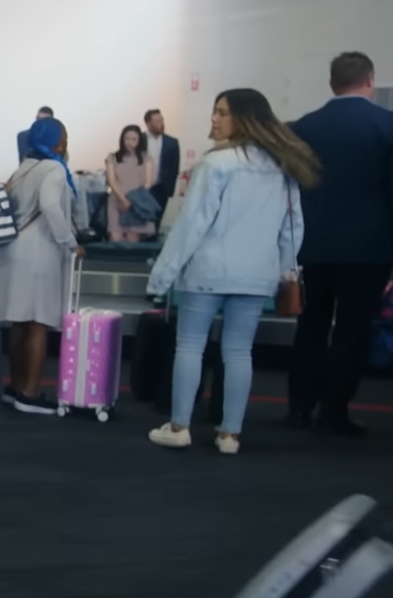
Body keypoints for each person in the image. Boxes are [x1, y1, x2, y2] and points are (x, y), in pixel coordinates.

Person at [147, 88, 318, 455]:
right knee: (239, 352)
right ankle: (230, 435)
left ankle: (179, 427)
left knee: (190, 345)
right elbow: (293, 228)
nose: (214, 118)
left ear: (244, 118)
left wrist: (162, 276)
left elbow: (192, 224)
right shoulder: (282, 165)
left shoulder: (216, 164)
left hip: (207, 271)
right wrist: (286, 270)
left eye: (222, 112)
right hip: (257, 274)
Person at [287, 51, 393, 437]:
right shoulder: (387, 125)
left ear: (332, 84)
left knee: (310, 325)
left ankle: (299, 407)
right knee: (353, 329)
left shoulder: (303, 127)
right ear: (370, 80)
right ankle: (334, 409)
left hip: (311, 246)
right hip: (369, 249)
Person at [0, 117, 80, 416]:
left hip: (13, 251)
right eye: (64, 138)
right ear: (57, 142)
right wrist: (70, 242)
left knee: (19, 322)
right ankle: (29, 393)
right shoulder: (54, 169)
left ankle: (16, 387)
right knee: (38, 323)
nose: (66, 144)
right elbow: (51, 206)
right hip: (38, 254)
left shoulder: (23, 168)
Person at [104, 124, 156, 241]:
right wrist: (123, 199)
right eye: (127, 139)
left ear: (139, 141)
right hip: (117, 199)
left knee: (133, 236)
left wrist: (133, 200)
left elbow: (148, 181)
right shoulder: (113, 157)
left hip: (138, 201)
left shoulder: (146, 157)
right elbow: (112, 180)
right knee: (115, 236)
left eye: (134, 139)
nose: (130, 142)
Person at [145, 108, 182, 207]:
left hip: (162, 189)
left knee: (158, 215)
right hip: (142, 187)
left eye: (161, 120)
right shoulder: (141, 140)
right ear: (148, 124)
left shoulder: (172, 142)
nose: (161, 124)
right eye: (157, 121)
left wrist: (170, 189)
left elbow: (175, 167)